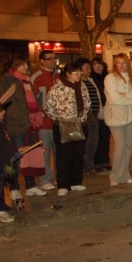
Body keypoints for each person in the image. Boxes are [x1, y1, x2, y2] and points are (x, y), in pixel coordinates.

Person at [0, 55, 46, 204]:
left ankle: (30, 185)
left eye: (26, 64)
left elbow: (32, 100)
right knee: (15, 157)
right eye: (23, 65)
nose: (26, 67)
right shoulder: (9, 80)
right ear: (15, 66)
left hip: (29, 123)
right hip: (17, 125)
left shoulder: (26, 80)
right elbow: (9, 104)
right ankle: (14, 188)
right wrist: (24, 120)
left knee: (30, 155)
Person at [42, 62, 91, 197]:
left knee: (78, 154)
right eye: (75, 73)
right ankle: (63, 184)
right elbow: (48, 107)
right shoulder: (58, 88)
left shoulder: (82, 86)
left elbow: (87, 102)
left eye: (80, 72)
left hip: (80, 124)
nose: (78, 75)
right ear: (68, 74)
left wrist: (82, 116)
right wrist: (60, 119)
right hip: (64, 125)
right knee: (64, 155)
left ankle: (76, 181)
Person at [104, 52, 132, 187]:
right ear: (115, 65)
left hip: (131, 116)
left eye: (123, 62)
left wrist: (126, 95)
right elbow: (114, 99)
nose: (121, 65)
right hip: (116, 116)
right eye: (118, 62)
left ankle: (125, 174)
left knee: (128, 146)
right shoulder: (110, 78)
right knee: (120, 146)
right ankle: (115, 175)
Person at [30, 50, 59, 191]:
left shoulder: (59, 76)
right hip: (44, 123)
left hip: (59, 122)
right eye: (50, 59)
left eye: (55, 58)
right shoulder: (36, 77)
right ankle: (45, 179)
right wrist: (39, 116)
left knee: (59, 152)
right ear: (42, 61)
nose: (53, 61)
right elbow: (31, 100)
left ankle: (61, 178)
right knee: (44, 152)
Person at [75, 58, 102, 175]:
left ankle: (90, 165)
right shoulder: (78, 83)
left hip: (94, 117)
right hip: (85, 119)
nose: (89, 70)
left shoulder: (91, 81)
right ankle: (85, 167)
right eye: (87, 68)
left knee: (93, 143)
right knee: (85, 143)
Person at [0, 97, 22, 222]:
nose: (4, 112)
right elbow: (2, 143)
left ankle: (4, 205)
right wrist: (12, 153)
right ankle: (1, 210)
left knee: (4, 181)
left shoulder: (2, 124)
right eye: (1, 110)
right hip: (3, 158)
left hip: (5, 160)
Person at [90, 58, 112, 171]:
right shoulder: (91, 79)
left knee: (106, 137)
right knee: (97, 138)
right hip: (97, 111)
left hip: (108, 110)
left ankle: (105, 160)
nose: (98, 67)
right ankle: (97, 162)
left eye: (100, 64)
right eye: (95, 65)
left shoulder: (108, 78)